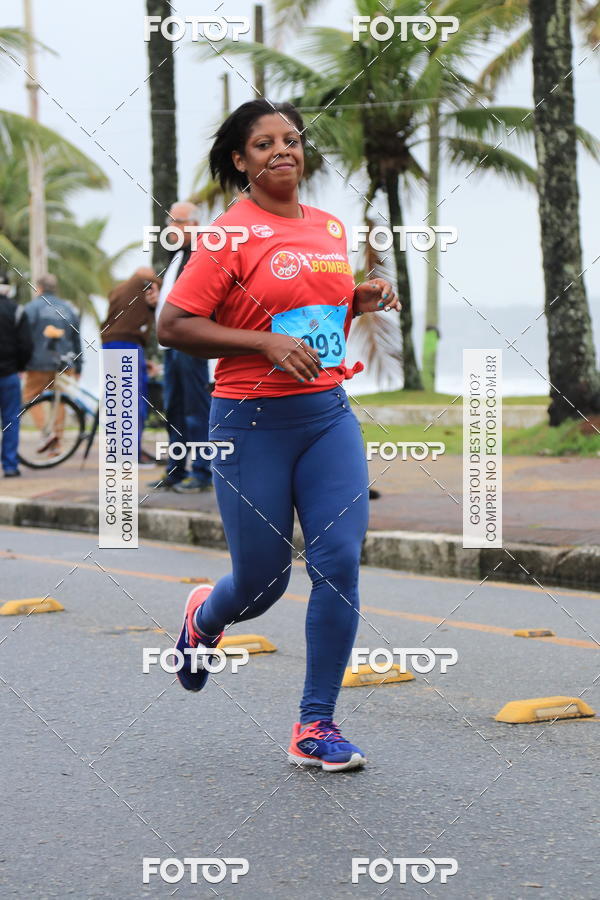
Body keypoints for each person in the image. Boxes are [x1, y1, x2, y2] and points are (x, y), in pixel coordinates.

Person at [158, 99, 401, 772]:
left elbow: (313, 308)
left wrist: (364, 296)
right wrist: (261, 343)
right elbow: (173, 326)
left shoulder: (327, 226)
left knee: (340, 561)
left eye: (290, 140)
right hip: (250, 424)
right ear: (241, 160)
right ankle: (205, 617)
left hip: (326, 416)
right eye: (264, 143)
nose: (282, 150)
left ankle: (315, 724)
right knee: (261, 585)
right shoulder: (226, 236)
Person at [150, 202, 213, 492]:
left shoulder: (204, 254)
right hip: (172, 347)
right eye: (169, 222)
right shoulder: (179, 257)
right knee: (174, 409)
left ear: (195, 225)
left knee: (195, 409)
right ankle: (175, 470)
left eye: (177, 222)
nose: (170, 228)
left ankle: (201, 472)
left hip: (192, 344)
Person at [101, 267, 160, 465]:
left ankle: (120, 452)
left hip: (112, 344)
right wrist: (159, 284)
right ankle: (130, 454)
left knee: (118, 400)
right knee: (132, 401)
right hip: (126, 345)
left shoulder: (120, 291)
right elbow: (144, 273)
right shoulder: (140, 282)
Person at [23, 274, 82, 455]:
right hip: (66, 362)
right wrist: (79, 365)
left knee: (30, 398)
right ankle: (57, 443)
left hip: (38, 362)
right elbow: (76, 338)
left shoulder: (31, 308)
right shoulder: (68, 309)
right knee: (61, 402)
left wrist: (21, 362)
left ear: (39, 288)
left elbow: (24, 338)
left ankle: (46, 434)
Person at [0, 273, 33, 477]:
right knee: (11, 420)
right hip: (10, 374)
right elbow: (27, 346)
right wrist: (20, 367)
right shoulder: (17, 311)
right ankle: (10, 466)